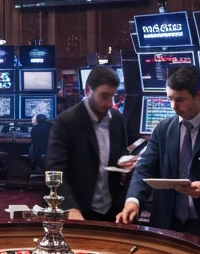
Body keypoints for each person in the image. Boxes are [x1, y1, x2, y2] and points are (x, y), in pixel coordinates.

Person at [118, 64, 200, 236]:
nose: (173, 106)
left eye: (179, 100)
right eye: (169, 98)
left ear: (199, 96)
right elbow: (144, 169)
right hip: (167, 226)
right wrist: (133, 201)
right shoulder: (162, 129)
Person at [45, 67, 135, 222]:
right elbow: (56, 170)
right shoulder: (66, 122)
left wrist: (124, 161)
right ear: (88, 91)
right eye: (104, 96)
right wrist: (70, 207)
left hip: (112, 208)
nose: (109, 103)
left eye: (113, 96)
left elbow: (118, 154)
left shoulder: (117, 119)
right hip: (79, 208)